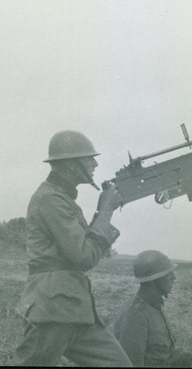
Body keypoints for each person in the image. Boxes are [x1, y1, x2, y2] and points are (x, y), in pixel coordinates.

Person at [14, 130, 132, 367]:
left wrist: (101, 211)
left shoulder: (62, 199)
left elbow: (86, 246)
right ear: (70, 164)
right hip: (54, 310)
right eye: (89, 158)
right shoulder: (50, 199)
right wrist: (107, 210)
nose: (95, 163)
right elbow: (83, 255)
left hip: (75, 311)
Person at [112, 250, 192, 368]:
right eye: (168, 274)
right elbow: (130, 363)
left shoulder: (154, 306)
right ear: (154, 279)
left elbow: (166, 354)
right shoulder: (135, 316)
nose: (174, 278)